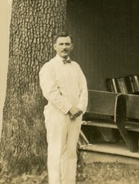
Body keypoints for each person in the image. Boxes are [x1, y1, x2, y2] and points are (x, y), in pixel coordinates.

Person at [39, 32, 88, 184]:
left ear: (72, 47)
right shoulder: (49, 67)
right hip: (57, 115)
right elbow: (50, 92)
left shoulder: (76, 67)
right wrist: (69, 108)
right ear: (55, 47)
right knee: (56, 152)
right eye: (61, 44)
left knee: (71, 152)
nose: (64, 47)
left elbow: (83, 89)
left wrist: (79, 108)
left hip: (75, 115)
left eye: (67, 44)